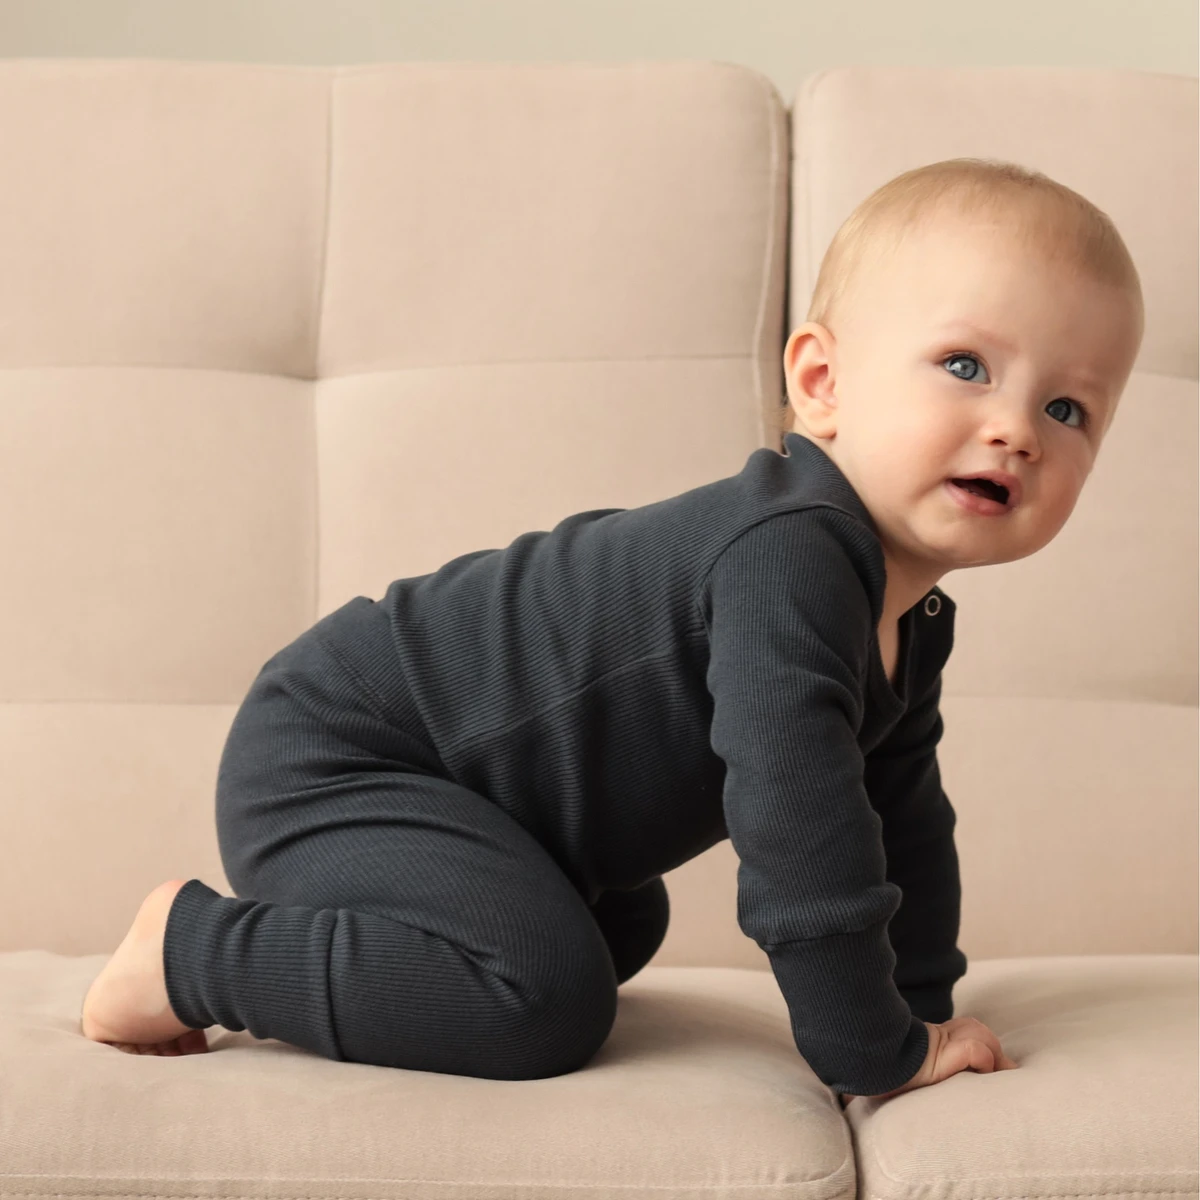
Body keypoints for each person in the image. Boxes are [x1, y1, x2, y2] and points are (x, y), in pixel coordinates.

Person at [79, 157, 1143, 1101]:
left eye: (1069, 409)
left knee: (621, 925)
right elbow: (800, 829)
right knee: (544, 999)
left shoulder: (908, 616)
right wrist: (874, 1051)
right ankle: (190, 953)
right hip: (339, 755)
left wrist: (925, 1011)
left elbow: (900, 819)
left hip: (492, 811)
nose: (1016, 429)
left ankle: (382, 945)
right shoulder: (790, 557)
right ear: (822, 384)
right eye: (966, 366)